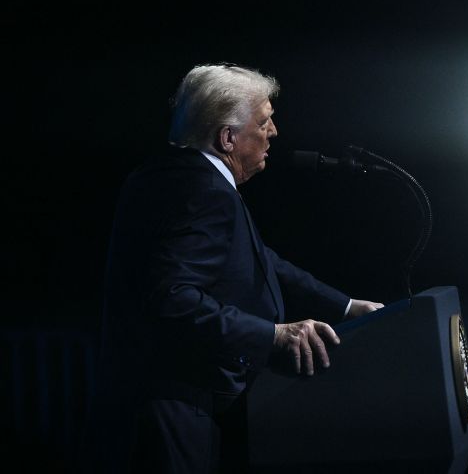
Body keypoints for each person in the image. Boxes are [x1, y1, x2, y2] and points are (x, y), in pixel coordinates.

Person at [85, 64, 383, 473]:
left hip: (153, 410)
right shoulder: (202, 189)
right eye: (263, 121)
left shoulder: (176, 177)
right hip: (172, 415)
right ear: (228, 137)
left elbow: (265, 260)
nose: (274, 132)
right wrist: (273, 336)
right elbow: (172, 299)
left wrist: (347, 306)